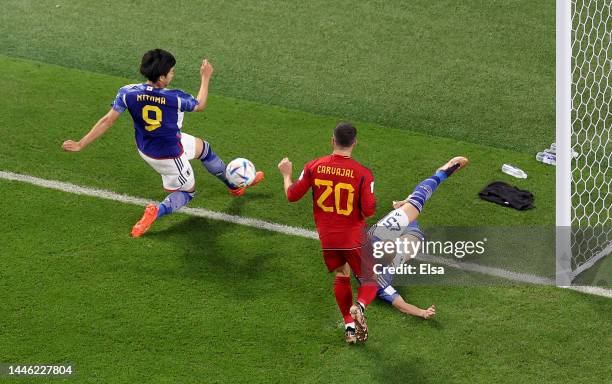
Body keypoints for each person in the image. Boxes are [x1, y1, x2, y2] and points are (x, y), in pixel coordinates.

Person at [62, 49, 263, 237]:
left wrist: (81, 144)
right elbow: (200, 105)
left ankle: (234, 185)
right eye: (171, 72)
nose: (173, 75)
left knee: (204, 148)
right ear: (161, 77)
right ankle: (156, 211)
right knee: (187, 192)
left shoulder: (127, 92)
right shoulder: (174, 98)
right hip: (169, 155)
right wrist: (205, 77)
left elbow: (108, 120)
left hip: (148, 146)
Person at [277, 122, 378, 344]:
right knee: (372, 276)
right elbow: (369, 211)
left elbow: (292, 195)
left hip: (328, 239)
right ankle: (359, 307)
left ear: (332, 140)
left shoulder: (315, 166)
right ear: (355, 143)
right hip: (352, 237)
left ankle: (350, 329)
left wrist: (286, 175)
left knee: (342, 275)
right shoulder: (363, 174)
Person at [366, 156, 469, 320]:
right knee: (416, 237)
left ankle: (441, 174)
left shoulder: (370, 242)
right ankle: (402, 207)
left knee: (418, 200)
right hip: (401, 246)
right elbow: (400, 304)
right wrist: (422, 312)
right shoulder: (379, 283)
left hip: (380, 234)